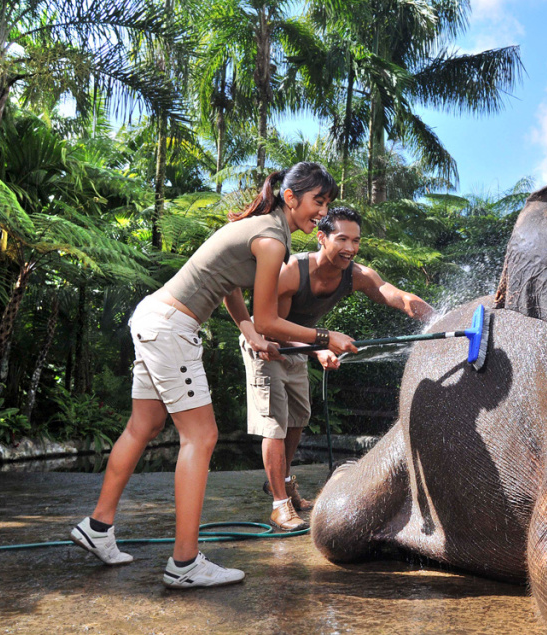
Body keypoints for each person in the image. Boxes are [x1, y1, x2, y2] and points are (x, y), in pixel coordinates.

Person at [70, 163, 358, 589]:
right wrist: (324, 336)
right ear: (292, 197)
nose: (322, 211)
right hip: (172, 327)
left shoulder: (262, 227)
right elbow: (268, 319)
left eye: (327, 203)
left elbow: (229, 285)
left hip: (153, 315)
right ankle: (184, 563)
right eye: (319, 201)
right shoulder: (272, 238)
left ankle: (98, 527)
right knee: (201, 437)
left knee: (144, 425)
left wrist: (248, 331)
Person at [233, 206, 433, 532]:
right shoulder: (291, 272)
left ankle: (281, 482)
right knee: (274, 423)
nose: (350, 248)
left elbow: (392, 294)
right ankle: (279, 505)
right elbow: (272, 328)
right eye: (342, 239)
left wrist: (428, 313)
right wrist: (319, 347)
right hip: (266, 346)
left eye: (356, 241)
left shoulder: (356, 274)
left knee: (298, 418)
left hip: (305, 343)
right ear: (321, 237)